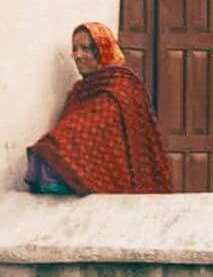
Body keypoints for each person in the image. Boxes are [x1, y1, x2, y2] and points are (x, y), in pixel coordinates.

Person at [27, 19, 176, 196]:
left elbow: (91, 127)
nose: (78, 55)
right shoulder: (79, 91)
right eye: (75, 49)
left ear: (103, 51)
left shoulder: (122, 87)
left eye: (86, 48)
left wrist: (55, 146)